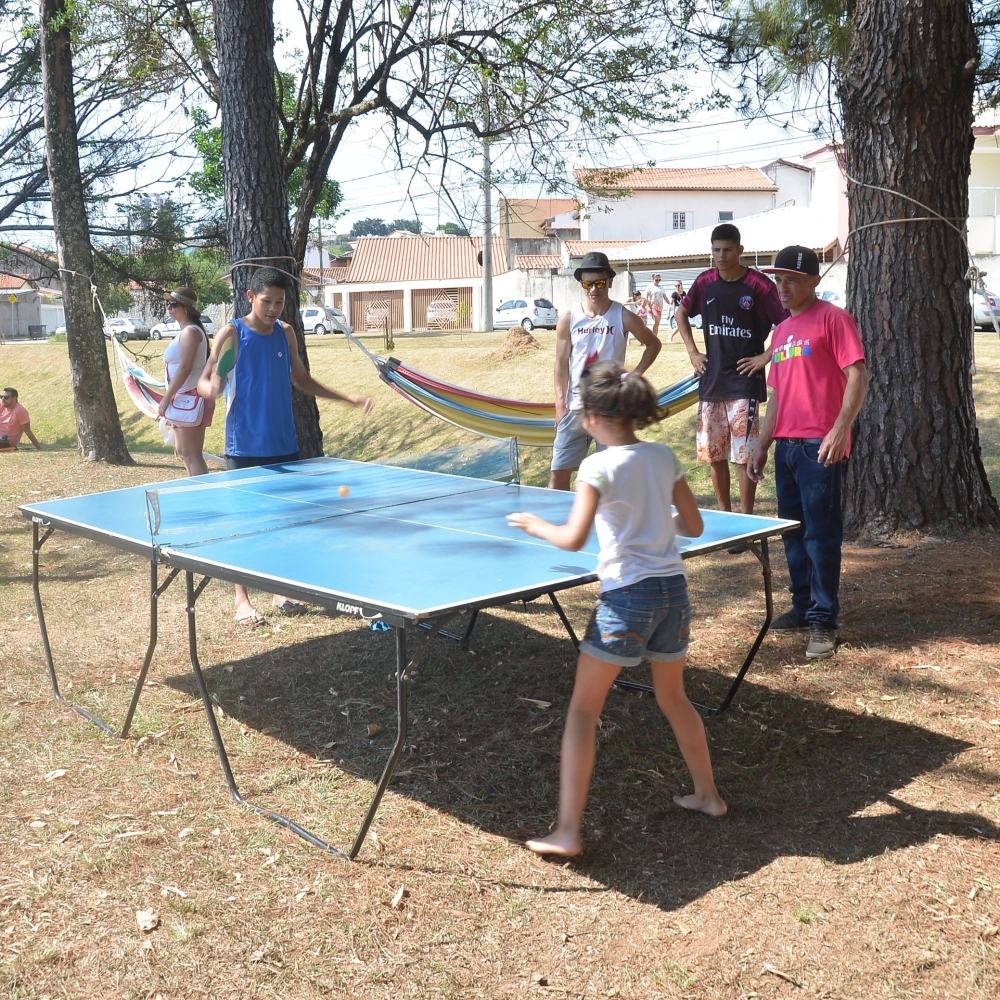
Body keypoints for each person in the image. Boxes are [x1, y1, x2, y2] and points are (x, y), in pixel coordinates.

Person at [509, 361, 726, 857]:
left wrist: (534, 525)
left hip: (627, 596)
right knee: (675, 699)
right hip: (674, 593)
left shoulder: (596, 466)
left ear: (592, 417)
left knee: (584, 710)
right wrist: (653, 518)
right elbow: (692, 526)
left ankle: (567, 831)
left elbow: (572, 538)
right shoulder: (663, 456)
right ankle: (709, 796)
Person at [199, 266, 374, 627]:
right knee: (244, 526)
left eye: (280, 302)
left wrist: (347, 398)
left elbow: (301, 379)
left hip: (283, 442)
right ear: (250, 297)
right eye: (267, 302)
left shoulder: (286, 332)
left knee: (286, 522)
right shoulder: (231, 333)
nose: (274, 309)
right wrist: (211, 391)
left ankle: (281, 590)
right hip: (245, 444)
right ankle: (242, 600)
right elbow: (206, 379)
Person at [748, 245, 868, 661]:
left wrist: (840, 428)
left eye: (791, 280)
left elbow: (857, 376)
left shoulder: (835, 319)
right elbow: (777, 395)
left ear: (814, 281)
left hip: (822, 447)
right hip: (787, 449)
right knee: (793, 533)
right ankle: (801, 608)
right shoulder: (780, 331)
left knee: (820, 536)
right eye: (778, 280)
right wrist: (762, 445)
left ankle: (823, 620)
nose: (782, 287)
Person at [674, 224, 787, 530]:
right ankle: (725, 518)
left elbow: (788, 323)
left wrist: (765, 356)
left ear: (740, 249)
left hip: (744, 383)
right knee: (715, 454)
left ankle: (746, 520)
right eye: (716, 251)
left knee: (744, 454)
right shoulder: (705, 281)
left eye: (727, 250)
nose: (721, 256)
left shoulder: (759, 285)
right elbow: (681, 313)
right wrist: (693, 353)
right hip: (711, 382)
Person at [550, 251, 661, 491]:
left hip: (611, 410)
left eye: (599, 283)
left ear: (609, 282)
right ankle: (561, 524)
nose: (593, 289)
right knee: (558, 476)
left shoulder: (624, 316)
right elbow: (560, 363)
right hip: (576, 408)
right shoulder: (569, 318)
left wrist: (636, 374)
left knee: (610, 481)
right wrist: (560, 404)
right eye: (587, 284)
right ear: (581, 285)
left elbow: (653, 344)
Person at [156, 287, 214, 477]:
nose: (169, 307)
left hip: (190, 396)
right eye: (168, 304)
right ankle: (197, 492)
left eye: (174, 304)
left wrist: (166, 398)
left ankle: (204, 495)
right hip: (182, 397)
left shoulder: (190, 332)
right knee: (184, 452)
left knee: (192, 454)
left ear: (186, 308)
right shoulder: (186, 332)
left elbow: (185, 368)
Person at [643, 273, 667, 337]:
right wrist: (647, 306)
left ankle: (654, 336)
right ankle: (653, 337)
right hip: (653, 307)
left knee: (657, 323)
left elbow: (664, 296)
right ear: (653, 279)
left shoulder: (661, 287)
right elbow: (646, 297)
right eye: (656, 280)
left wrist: (670, 303)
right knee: (656, 321)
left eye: (659, 280)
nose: (658, 281)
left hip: (660, 307)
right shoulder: (650, 287)